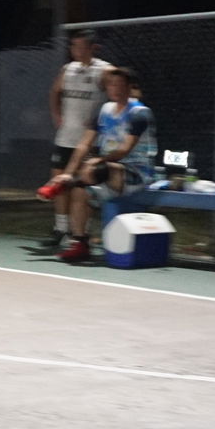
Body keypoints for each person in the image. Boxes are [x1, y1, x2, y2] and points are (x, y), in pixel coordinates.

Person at [43, 66, 157, 263]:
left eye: (121, 85)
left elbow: (125, 150)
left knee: (98, 169)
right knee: (80, 191)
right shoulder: (104, 110)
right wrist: (68, 172)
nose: (115, 88)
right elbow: (84, 144)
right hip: (103, 173)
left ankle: (63, 186)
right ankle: (80, 244)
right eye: (112, 84)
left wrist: (99, 160)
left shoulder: (140, 113)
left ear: (131, 87)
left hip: (137, 173)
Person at [46, 32, 113, 246]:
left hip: (88, 141)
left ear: (93, 48)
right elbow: (55, 92)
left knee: (83, 186)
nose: (77, 51)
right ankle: (61, 228)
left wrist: (102, 123)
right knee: (58, 183)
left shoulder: (105, 71)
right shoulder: (68, 69)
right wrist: (57, 115)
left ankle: (82, 233)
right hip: (65, 136)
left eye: (82, 47)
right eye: (74, 46)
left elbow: (121, 94)